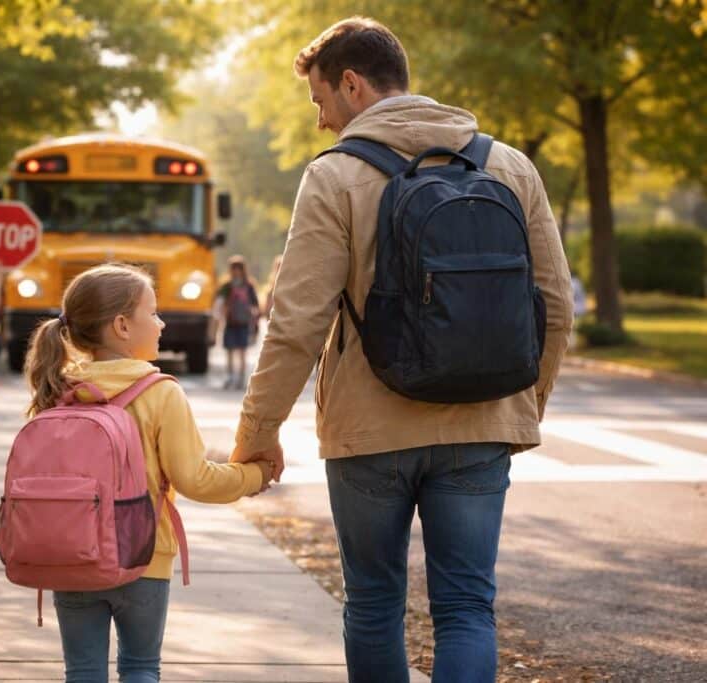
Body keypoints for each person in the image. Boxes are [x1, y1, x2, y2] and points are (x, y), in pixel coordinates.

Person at [230, 18, 573, 682]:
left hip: (369, 430)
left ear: (352, 84)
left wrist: (257, 433)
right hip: (481, 421)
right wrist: (521, 408)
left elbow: (297, 323)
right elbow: (555, 304)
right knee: (466, 607)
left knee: (373, 604)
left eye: (320, 101)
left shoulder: (334, 175)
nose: (321, 121)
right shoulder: (508, 165)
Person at [25, 263, 272, 682]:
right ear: (122, 325)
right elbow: (197, 480)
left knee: (81, 672)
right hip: (143, 557)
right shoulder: (161, 393)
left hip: (72, 555)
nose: (162, 323)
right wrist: (254, 476)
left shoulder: (58, 388)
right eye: (153, 313)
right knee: (140, 668)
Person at [214, 255, 260, 390]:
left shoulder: (242, 286)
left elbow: (255, 305)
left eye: (237, 268)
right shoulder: (232, 286)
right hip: (232, 322)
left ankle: (239, 377)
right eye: (234, 268)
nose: (236, 271)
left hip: (241, 323)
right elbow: (219, 302)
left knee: (241, 352)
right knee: (232, 351)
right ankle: (232, 377)